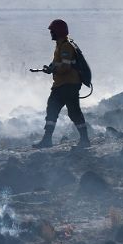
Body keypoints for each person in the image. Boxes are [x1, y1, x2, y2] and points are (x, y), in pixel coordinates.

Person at [33, 19, 90, 149]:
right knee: (55, 110)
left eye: (52, 31)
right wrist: (50, 68)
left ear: (58, 32)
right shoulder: (60, 45)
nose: (51, 33)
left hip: (68, 84)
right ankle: (48, 139)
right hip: (63, 84)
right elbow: (58, 63)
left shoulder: (66, 46)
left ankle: (84, 140)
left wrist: (53, 70)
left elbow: (65, 67)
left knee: (69, 111)